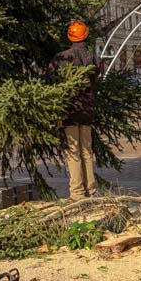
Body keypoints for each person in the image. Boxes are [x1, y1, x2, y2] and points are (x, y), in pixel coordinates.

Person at [56, 20, 96, 200]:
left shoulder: (62, 58)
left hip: (69, 112)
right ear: (86, 35)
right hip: (87, 111)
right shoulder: (92, 58)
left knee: (73, 153)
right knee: (86, 152)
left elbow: (55, 83)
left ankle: (77, 193)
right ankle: (91, 191)